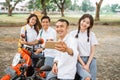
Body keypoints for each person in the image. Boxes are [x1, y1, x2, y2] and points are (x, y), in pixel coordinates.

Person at [70, 14, 98, 80]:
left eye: (87, 23)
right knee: (86, 77)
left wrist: (87, 65)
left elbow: (92, 52)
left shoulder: (92, 35)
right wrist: (83, 65)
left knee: (92, 78)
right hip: (78, 60)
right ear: (80, 20)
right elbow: (75, 51)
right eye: (84, 21)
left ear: (90, 25)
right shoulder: (72, 34)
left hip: (90, 60)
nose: (84, 24)